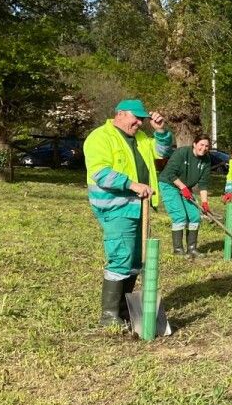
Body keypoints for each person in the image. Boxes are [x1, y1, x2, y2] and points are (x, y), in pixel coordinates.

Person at [83, 99, 173, 326]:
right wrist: (133, 185)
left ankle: (126, 310)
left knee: (134, 259)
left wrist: (161, 130)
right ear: (121, 114)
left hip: (139, 205)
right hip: (115, 205)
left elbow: (162, 154)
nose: (140, 123)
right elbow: (100, 172)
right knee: (121, 256)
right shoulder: (100, 137)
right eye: (137, 118)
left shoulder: (140, 138)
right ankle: (109, 315)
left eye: (143, 119)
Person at [158, 133, 212, 257]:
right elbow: (170, 173)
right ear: (194, 144)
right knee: (180, 216)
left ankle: (192, 249)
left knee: (195, 216)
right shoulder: (182, 153)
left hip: (185, 187)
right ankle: (178, 250)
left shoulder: (206, 160)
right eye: (201, 145)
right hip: (169, 184)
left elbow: (203, 184)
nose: (203, 148)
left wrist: (204, 203)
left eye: (207, 146)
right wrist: (182, 187)